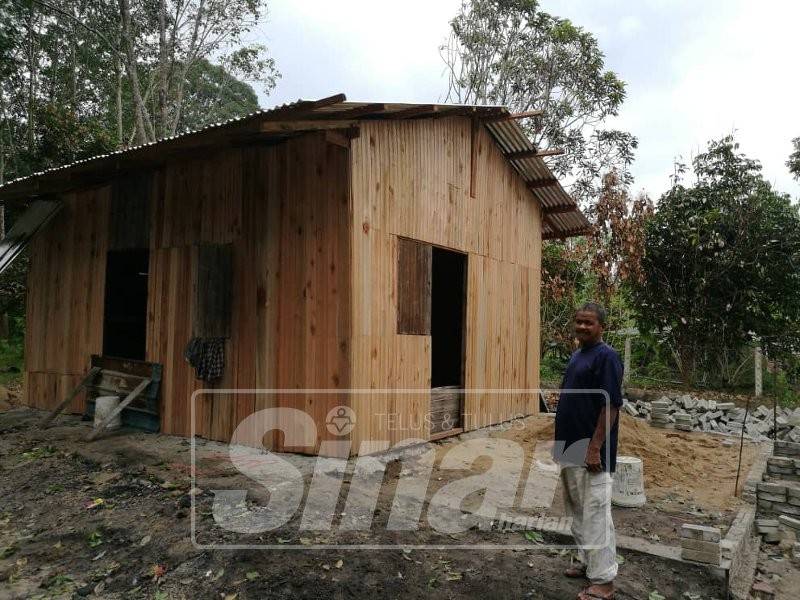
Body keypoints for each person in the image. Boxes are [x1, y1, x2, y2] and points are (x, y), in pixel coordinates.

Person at [553, 302, 623, 600]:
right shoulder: (577, 355)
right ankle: (585, 561)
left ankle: (604, 582)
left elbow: (611, 406)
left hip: (591, 452)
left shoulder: (607, 358)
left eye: (589, 323)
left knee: (596, 513)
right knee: (577, 510)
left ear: (601, 327)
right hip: (570, 447)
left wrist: (595, 448)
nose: (582, 327)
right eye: (579, 321)